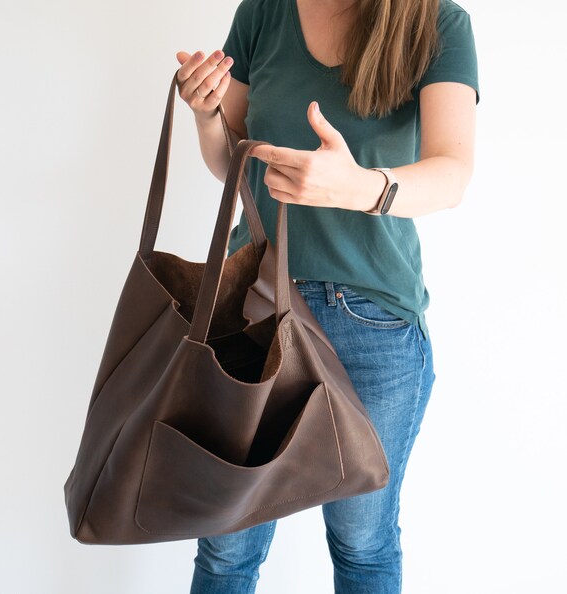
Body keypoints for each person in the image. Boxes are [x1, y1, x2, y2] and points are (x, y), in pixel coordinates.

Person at [176, 0, 479, 591]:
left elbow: (453, 172)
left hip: (374, 325)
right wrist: (207, 115)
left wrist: (359, 188)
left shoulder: (437, 19)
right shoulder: (263, 12)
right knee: (224, 546)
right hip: (254, 315)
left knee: (363, 545)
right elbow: (233, 164)